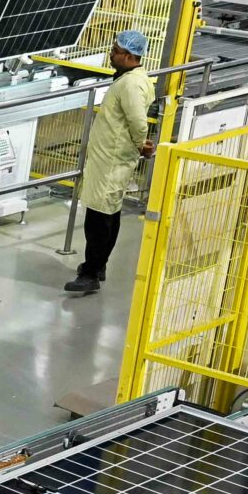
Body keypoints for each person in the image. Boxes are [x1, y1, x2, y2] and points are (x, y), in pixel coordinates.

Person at [65, 30, 158, 298]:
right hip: (110, 158)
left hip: (111, 160)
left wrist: (143, 144)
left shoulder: (130, 84)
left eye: (115, 50)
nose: (111, 53)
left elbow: (138, 121)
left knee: (99, 217)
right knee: (108, 212)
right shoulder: (133, 79)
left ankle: (90, 274)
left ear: (129, 56)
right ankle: (98, 265)